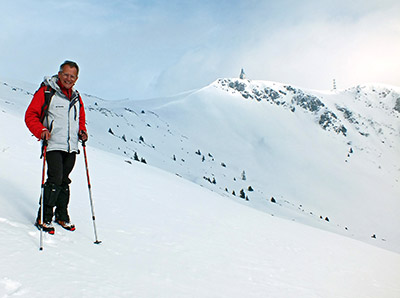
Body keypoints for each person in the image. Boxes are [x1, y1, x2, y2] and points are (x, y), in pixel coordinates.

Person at [25, 60, 88, 234]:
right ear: (59, 74)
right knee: (55, 178)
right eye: (66, 74)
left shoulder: (76, 97)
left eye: (72, 76)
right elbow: (30, 115)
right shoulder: (47, 92)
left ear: (76, 79)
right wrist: (41, 130)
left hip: (71, 146)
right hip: (52, 144)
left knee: (64, 180)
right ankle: (44, 217)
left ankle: (62, 215)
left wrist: (82, 131)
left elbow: (80, 119)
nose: (68, 78)